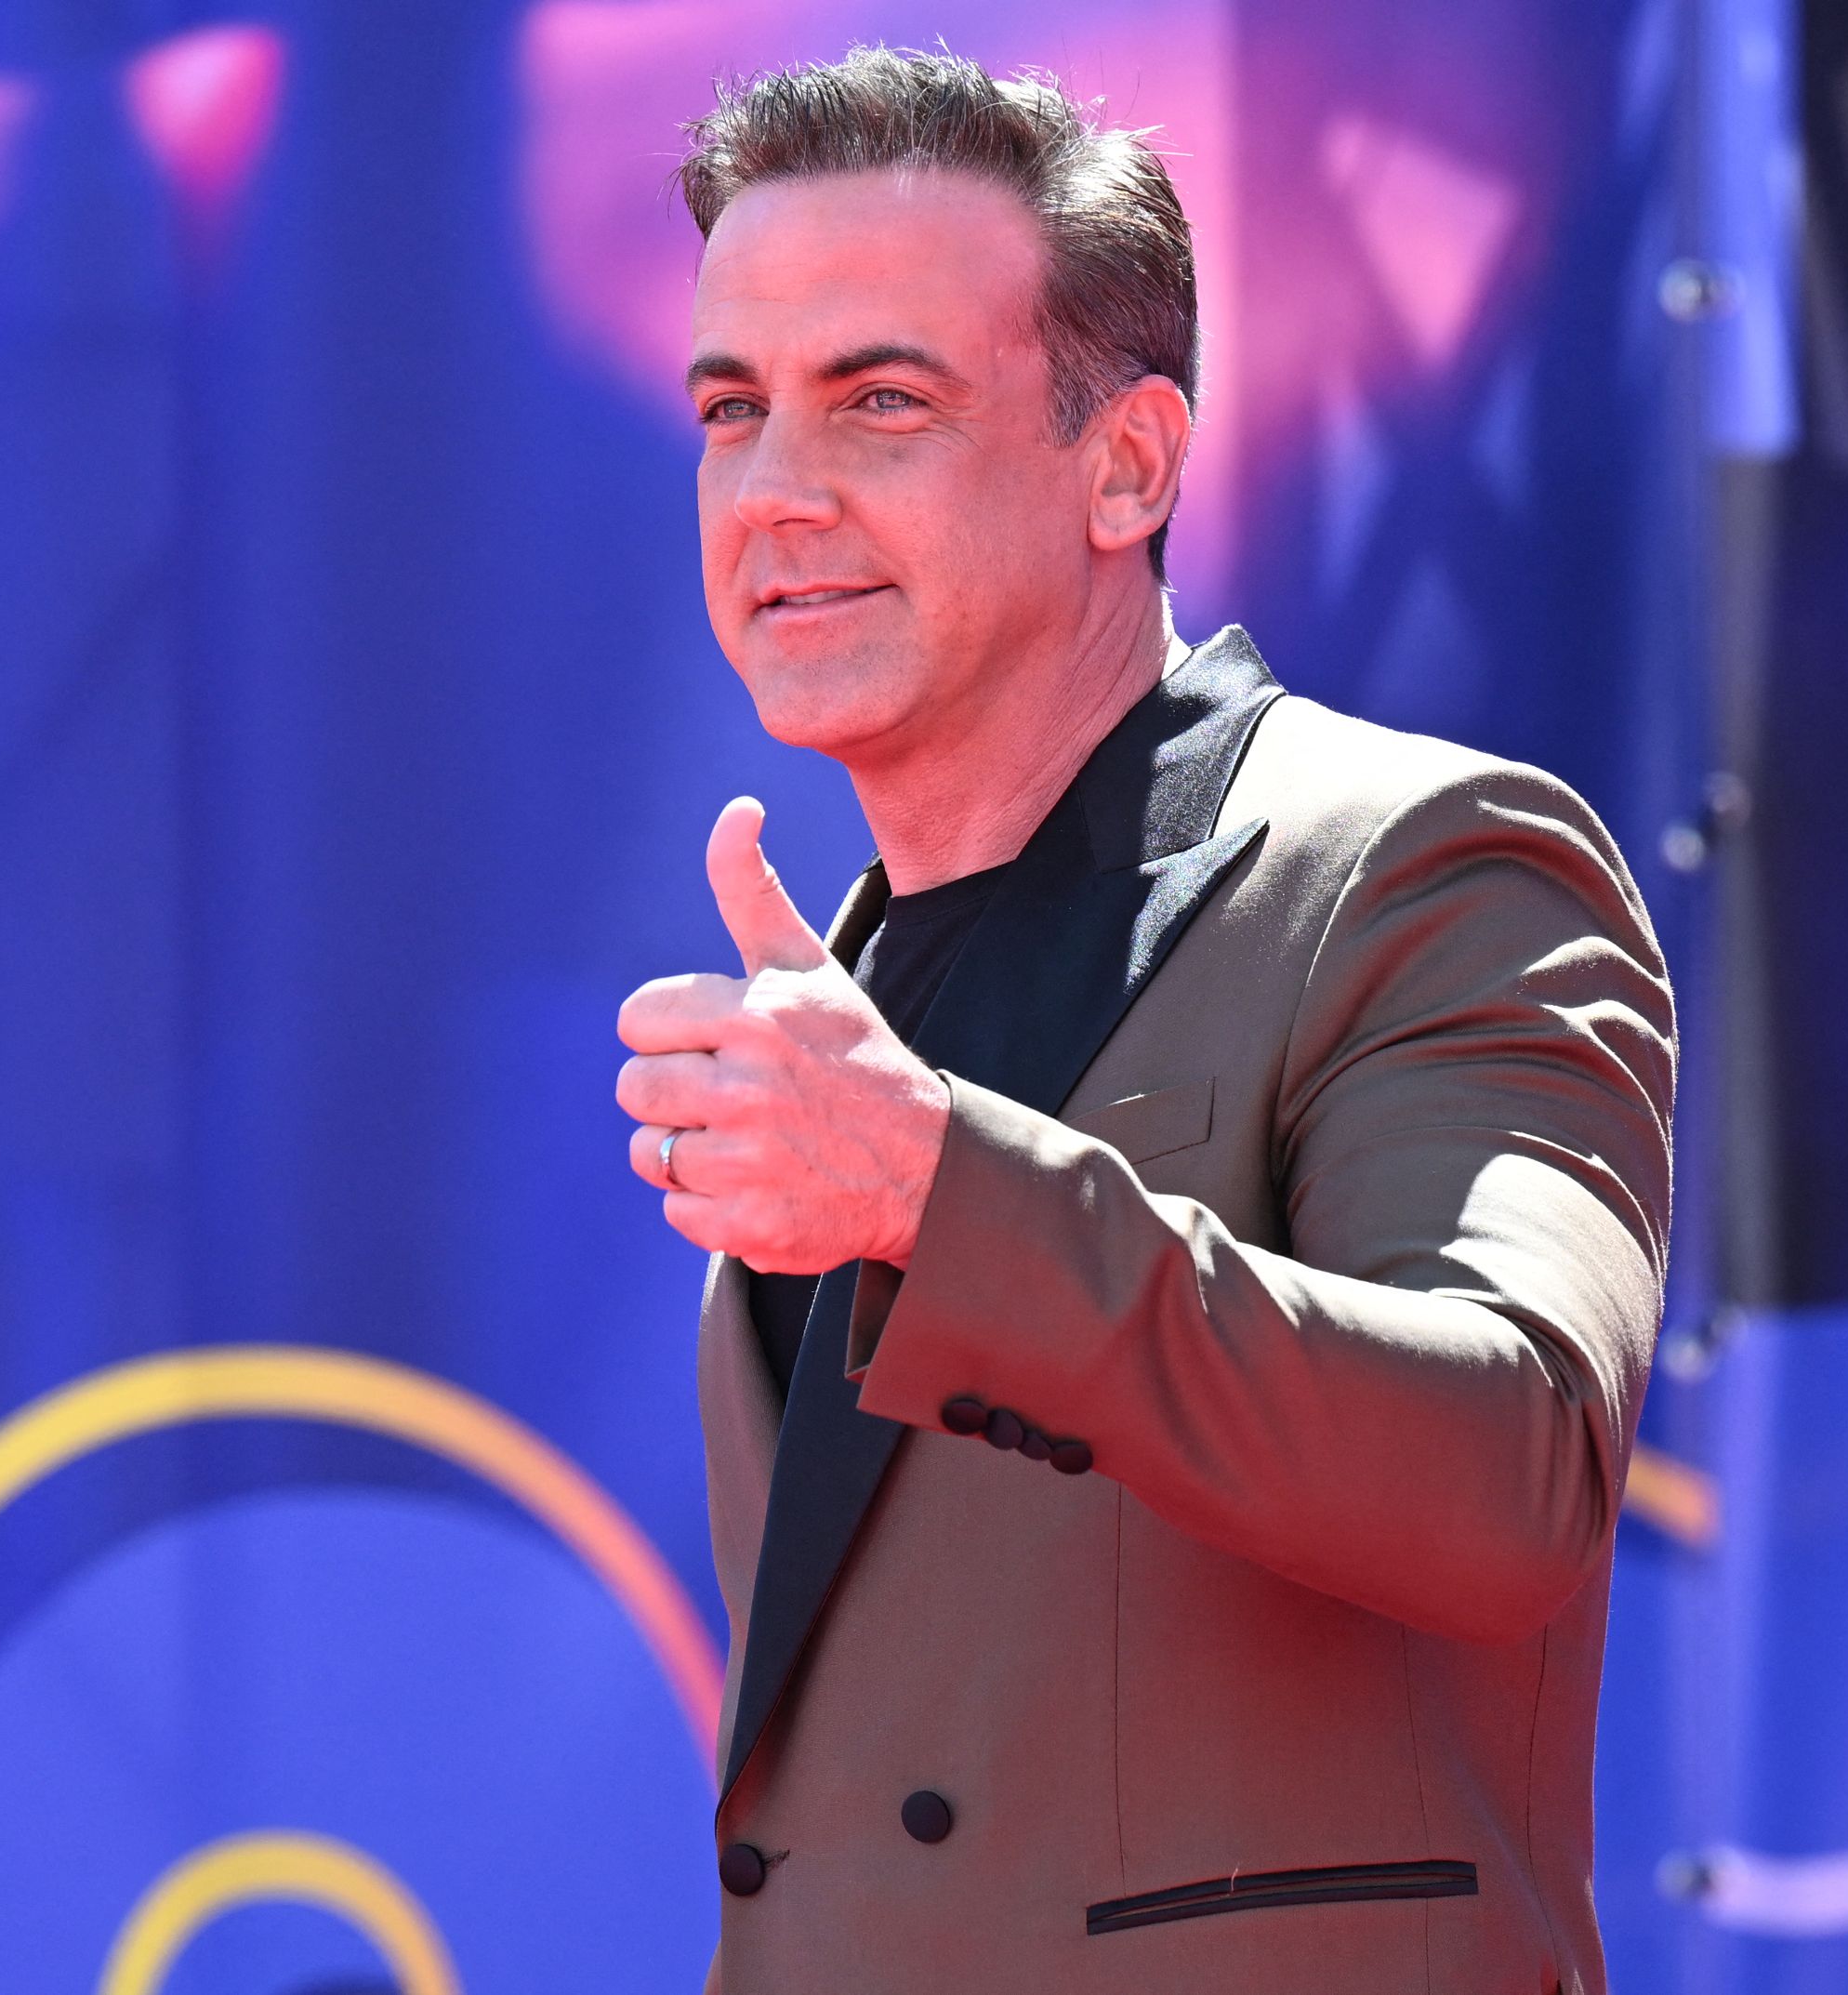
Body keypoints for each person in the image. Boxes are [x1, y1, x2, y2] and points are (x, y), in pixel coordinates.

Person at [614, 46, 1674, 1994]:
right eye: (728, 410)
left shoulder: (1425, 865)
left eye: (880, 400)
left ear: (1129, 463)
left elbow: (1510, 1461)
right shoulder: (840, 991)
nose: (775, 491)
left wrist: (946, 1193)